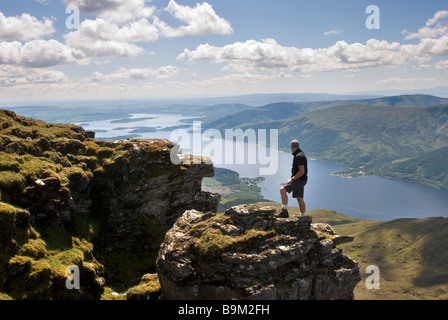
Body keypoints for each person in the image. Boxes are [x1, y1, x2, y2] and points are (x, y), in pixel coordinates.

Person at [277, 139, 308, 218]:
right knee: (299, 198)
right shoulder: (301, 154)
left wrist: (292, 179)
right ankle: (303, 216)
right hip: (303, 180)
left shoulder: (298, 156)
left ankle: (284, 212)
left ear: (292, 147)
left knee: (282, 190)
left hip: (299, 180)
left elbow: (301, 171)